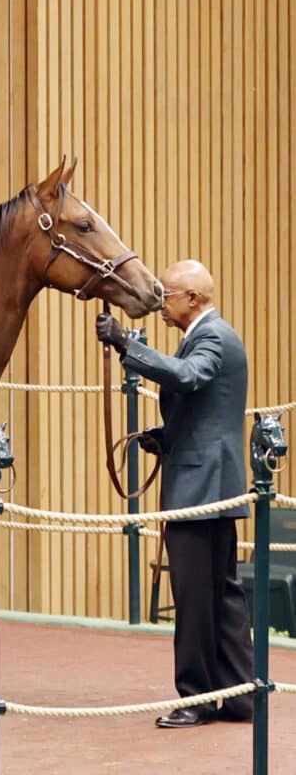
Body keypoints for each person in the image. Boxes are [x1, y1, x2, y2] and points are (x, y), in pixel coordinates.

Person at [96, 259, 254, 729]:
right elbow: (205, 408)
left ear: (194, 299)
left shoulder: (213, 337)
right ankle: (240, 693)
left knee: (193, 597)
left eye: (167, 294)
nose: (161, 301)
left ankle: (198, 698)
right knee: (220, 595)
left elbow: (188, 376)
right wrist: (166, 437)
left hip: (200, 487)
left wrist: (126, 344)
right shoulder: (211, 334)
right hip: (211, 480)